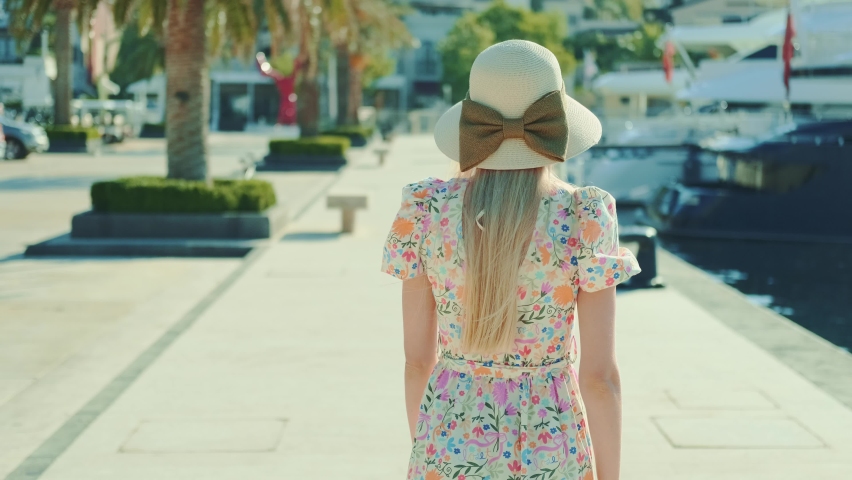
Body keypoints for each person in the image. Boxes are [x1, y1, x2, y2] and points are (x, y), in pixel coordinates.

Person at [380, 40, 641, 480]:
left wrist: (429, 449)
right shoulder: (583, 216)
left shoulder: (425, 209)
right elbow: (598, 379)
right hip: (552, 448)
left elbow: (416, 364)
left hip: (448, 441)